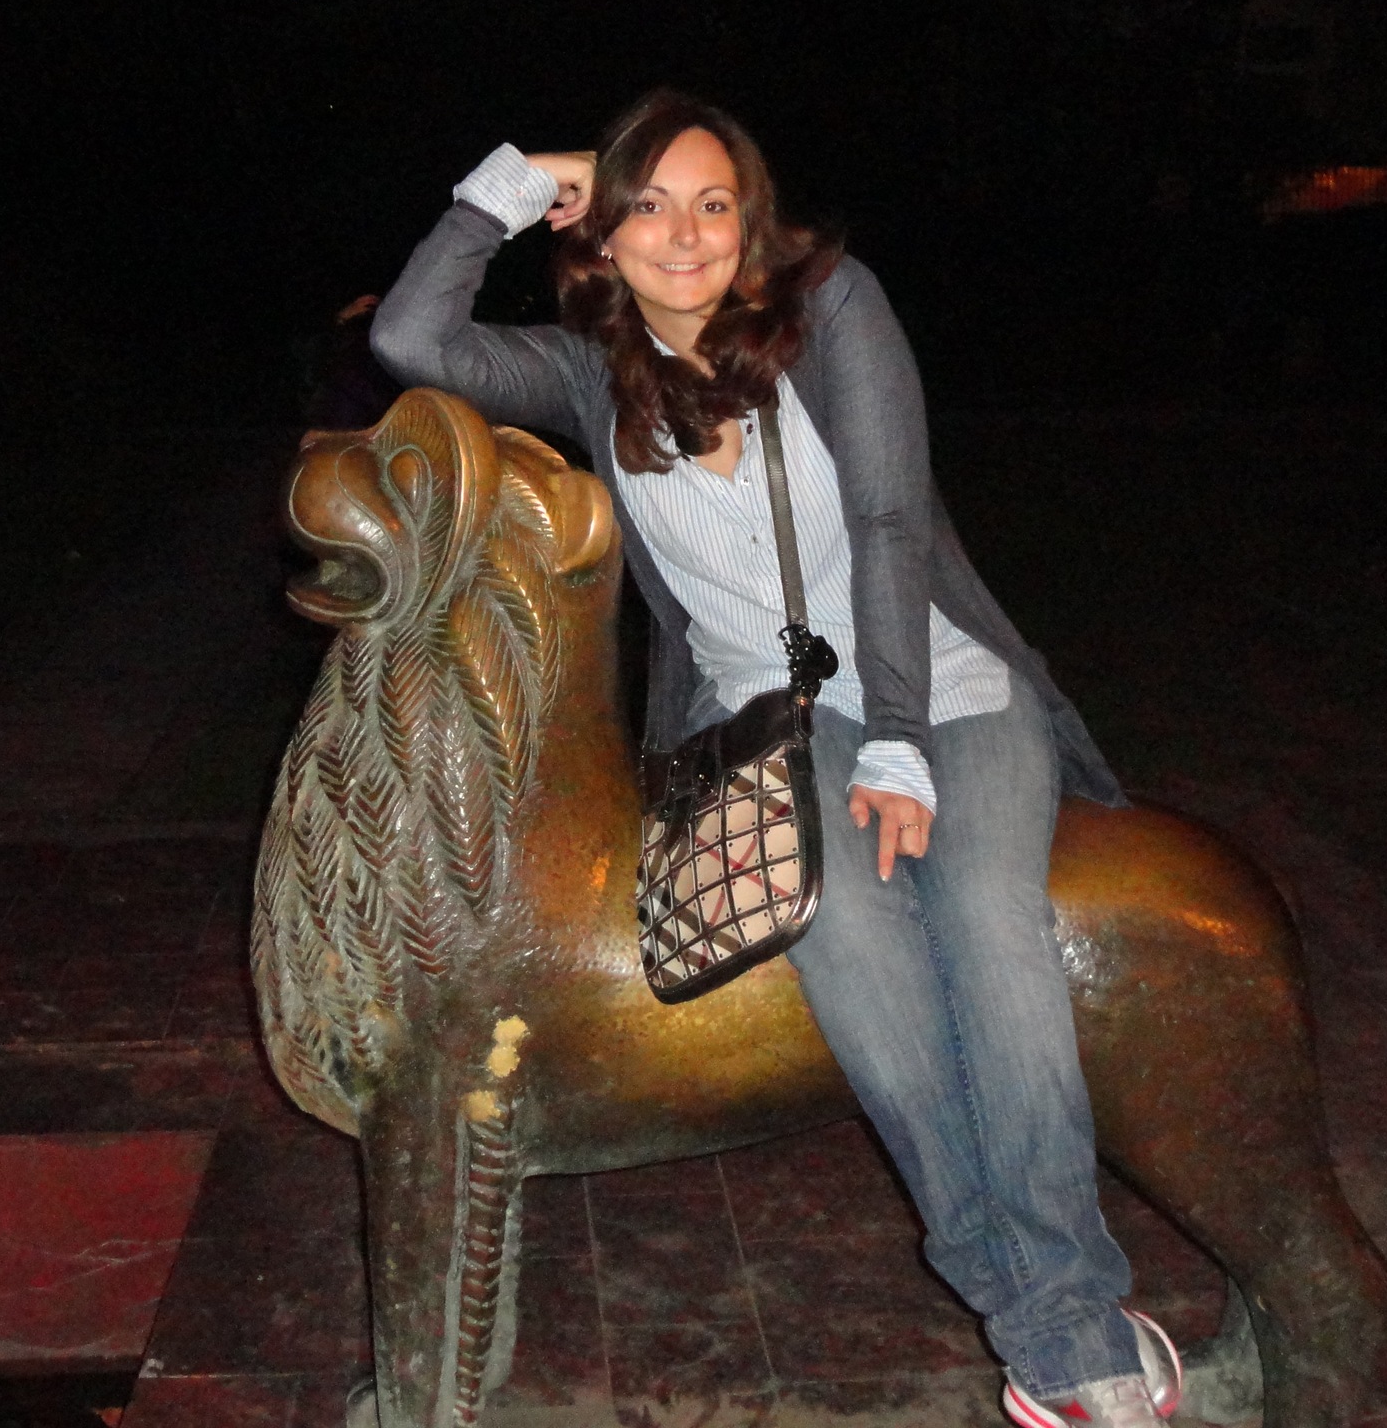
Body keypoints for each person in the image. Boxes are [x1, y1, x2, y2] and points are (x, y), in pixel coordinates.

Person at [370, 89, 1180, 1428]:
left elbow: (890, 520)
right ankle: (1045, 1317)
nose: (684, 235)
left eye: (714, 204)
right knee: (860, 967)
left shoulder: (834, 311)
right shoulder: (586, 376)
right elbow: (411, 337)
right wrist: (516, 180)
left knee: (991, 928)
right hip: (772, 722)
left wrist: (902, 742)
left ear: (753, 224)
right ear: (602, 236)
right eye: (648, 206)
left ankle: (1067, 1323)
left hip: (943, 691)